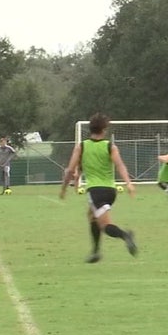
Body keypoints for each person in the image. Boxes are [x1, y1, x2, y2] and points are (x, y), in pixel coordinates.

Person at [60, 112, 138, 263]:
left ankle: (125, 235)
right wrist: (128, 183)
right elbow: (120, 165)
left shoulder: (81, 146)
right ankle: (95, 252)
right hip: (110, 191)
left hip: (95, 192)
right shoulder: (110, 146)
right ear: (103, 130)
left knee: (105, 225)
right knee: (91, 216)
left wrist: (64, 188)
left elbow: (71, 170)